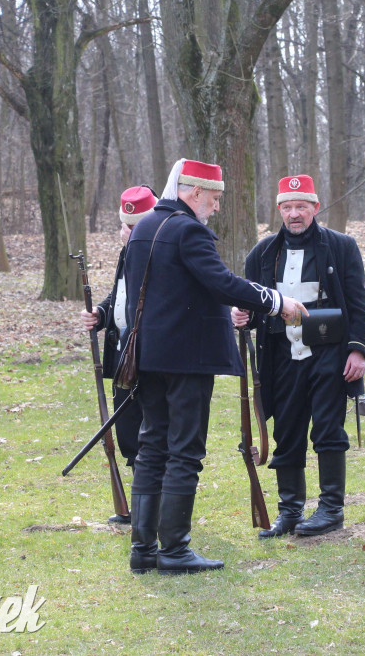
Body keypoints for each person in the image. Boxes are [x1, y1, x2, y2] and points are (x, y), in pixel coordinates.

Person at [123, 158, 306, 575]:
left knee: (152, 448)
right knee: (184, 451)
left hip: (149, 357)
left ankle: (143, 549)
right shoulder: (188, 229)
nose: (218, 206)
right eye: (215, 197)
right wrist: (278, 302)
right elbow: (223, 283)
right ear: (192, 192)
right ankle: (174, 549)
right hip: (187, 358)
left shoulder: (145, 228)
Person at [232, 175, 365, 539]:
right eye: (288, 208)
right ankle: (290, 510)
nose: (294, 215)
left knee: (328, 430)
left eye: (301, 207)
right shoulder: (260, 254)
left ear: (315, 207)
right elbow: (251, 306)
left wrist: (358, 349)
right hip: (280, 356)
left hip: (329, 354)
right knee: (287, 432)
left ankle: (331, 509)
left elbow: (357, 305)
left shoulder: (342, 247)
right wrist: (240, 316)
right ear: (279, 209)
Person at [79, 185, 158, 525]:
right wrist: (100, 313)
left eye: (136, 225)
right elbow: (121, 296)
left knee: (152, 433)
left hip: (152, 358)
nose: (129, 232)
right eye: (126, 226)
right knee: (128, 432)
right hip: (124, 356)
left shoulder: (160, 254)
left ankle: (154, 511)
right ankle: (140, 510)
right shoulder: (127, 253)